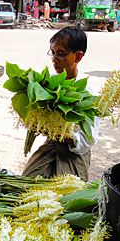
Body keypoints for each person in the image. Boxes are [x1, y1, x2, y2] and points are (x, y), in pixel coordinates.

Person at [22, 27, 100, 181]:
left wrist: (58, 131)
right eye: (53, 52)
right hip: (51, 146)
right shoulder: (47, 83)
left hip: (74, 154)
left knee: (68, 196)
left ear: (78, 56)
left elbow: (87, 141)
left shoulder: (88, 93)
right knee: (27, 184)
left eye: (61, 54)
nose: (55, 59)